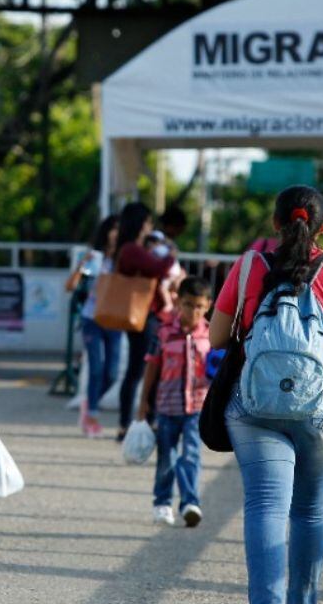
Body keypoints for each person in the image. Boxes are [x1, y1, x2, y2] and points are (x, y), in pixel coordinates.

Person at [210, 186, 323, 604]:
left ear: (275, 223)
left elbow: (216, 336)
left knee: (265, 505)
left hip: (255, 405)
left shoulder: (249, 265)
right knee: (310, 511)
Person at [138, 277, 213, 528]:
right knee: (166, 457)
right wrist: (143, 402)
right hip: (167, 406)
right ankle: (162, 503)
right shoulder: (163, 332)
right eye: (188, 304)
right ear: (178, 302)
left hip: (198, 407)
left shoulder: (211, 335)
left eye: (199, 306)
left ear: (208, 306)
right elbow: (152, 366)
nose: (193, 311)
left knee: (191, 455)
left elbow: (219, 369)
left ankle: (190, 502)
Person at [112, 201, 178, 441]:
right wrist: (170, 256)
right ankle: (131, 422)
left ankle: (139, 420)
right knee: (140, 370)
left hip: (145, 316)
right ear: (141, 223)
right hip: (144, 316)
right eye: (149, 221)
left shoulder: (131, 248)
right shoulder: (132, 249)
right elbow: (160, 268)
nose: (151, 226)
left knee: (141, 369)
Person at [65, 216, 121, 438]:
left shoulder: (125, 259)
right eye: (113, 230)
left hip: (115, 320)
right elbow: (69, 286)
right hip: (92, 319)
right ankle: (92, 416)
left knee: (113, 373)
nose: (116, 234)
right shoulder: (94, 257)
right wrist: (81, 265)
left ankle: (89, 403)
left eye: (120, 230)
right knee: (96, 368)